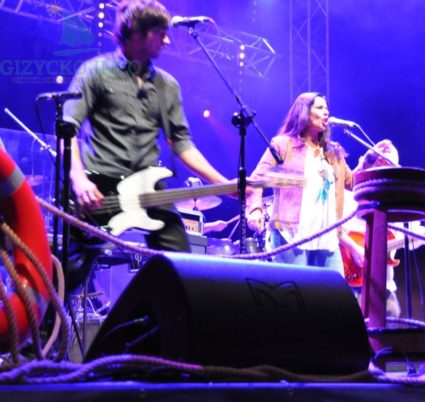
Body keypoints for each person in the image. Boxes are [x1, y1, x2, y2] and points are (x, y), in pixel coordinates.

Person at [63, 0, 232, 286]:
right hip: (98, 189)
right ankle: (43, 315)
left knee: (182, 269)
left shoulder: (167, 85)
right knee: (68, 274)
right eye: (160, 33)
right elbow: (67, 131)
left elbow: (183, 145)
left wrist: (225, 184)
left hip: (147, 188)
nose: (167, 40)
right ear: (138, 32)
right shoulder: (95, 71)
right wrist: (79, 181)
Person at [246, 92, 360, 275]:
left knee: (334, 291)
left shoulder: (333, 153)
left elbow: (353, 182)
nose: (326, 112)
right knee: (297, 290)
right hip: (291, 235)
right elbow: (257, 180)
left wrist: (369, 161)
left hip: (327, 238)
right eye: (320, 108)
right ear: (304, 112)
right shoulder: (283, 145)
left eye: (327, 109)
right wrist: (255, 209)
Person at [341, 139, 425, 317]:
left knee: (392, 317)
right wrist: (354, 248)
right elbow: (333, 229)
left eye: (387, 167)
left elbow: (412, 238)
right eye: (379, 164)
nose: (382, 170)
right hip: (348, 280)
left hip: (383, 284)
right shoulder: (350, 195)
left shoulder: (397, 202)